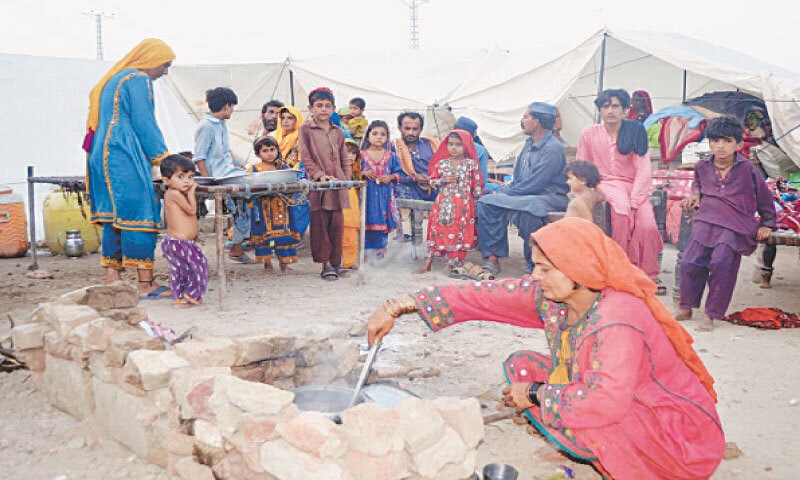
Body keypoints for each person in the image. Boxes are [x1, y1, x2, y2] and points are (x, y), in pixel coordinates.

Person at [367, 217, 725, 480]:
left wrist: (537, 394)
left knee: (562, 402)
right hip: (611, 394)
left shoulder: (618, 319)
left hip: (671, 431)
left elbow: (604, 402)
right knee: (523, 367)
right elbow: (484, 294)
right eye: (535, 267)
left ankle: (627, 464)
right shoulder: (557, 296)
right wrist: (399, 304)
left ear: (578, 270)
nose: (535, 276)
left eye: (544, 269)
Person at [83, 38, 175, 300]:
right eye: (165, 65)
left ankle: (113, 280)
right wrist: (165, 160)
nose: (165, 72)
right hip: (122, 152)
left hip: (100, 151)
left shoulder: (114, 79)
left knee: (115, 215)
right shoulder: (138, 79)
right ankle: (145, 285)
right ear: (151, 60)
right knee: (140, 212)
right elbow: (144, 122)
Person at [677, 116, 776, 332]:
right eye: (716, 140)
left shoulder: (748, 168)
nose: (720, 146)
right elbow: (698, 183)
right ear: (710, 142)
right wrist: (696, 193)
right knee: (690, 262)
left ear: (738, 144)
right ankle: (686, 306)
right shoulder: (702, 166)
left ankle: (711, 313)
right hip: (706, 219)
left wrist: (767, 222)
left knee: (722, 264)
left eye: (727, 141)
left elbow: (764, 197)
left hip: (735, 224)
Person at [576, 88, 665, 294]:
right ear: (600, 110)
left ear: (625, 110)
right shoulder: (589, 134)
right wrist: (587, 192)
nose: (610, 111)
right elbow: (583, 166)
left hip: (634, 187)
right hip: (605, 184)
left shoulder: (635, 130)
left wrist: (636, 202)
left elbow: (643, 170)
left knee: (647, 225)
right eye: (605, 106)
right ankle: (619, 270)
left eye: (615, 106)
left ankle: (649, 274)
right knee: (621, 212)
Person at [477, 102, 569, 276]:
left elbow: (535, 184)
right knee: (486, 202)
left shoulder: (554, 148)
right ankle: (492, 258)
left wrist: (504, 193)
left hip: (549, 197)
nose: (522, 121)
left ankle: (534, 262)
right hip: (526, 195)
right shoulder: (528, 144)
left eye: (526, 117)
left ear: (536, 122)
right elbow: (519, 178)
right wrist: (504, 192)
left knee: (530, 209)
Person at [193, 87, 252, 263]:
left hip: (229, 171)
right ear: (226, 106)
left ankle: (237, 246)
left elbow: (226, 151)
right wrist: (209, 181)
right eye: (232, 107)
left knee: (247, 204)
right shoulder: (205, 127)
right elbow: (199, 157)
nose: (232, 111)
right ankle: (237, 246)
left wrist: (235, 165)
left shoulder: (221, 125)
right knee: (249, 193)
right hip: (218, 176)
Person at [299, 87, 351, 281]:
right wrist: (319, 175)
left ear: (334, 108)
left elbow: (344, 157)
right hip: (319, 185)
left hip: (337, 184)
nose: (323, 109)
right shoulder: (306, 129)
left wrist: (346, 178)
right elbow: (306, 157)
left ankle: (336, 262)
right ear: (310, 108)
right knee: (321, 224)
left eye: (327, 106)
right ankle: (325, 264)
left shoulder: (338, 131)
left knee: (337, 224)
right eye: (319, 106)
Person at [418, 130, 483, 274]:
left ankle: (452, 263)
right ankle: (428, 263)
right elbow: (432, 182)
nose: (454, 148)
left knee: (458, 230)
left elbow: (477, 185)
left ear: (466, 145)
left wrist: (478, 200)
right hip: (443, 203)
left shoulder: (471, 165)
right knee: (438, 229)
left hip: (463, 205)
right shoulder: (441, 164)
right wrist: (443, 180)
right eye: (451, 144)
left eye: (458, 144)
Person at [159, 154, 209, 308]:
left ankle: (180, 297)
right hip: (181, 242)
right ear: (166, 180)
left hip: (175, 241)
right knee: (200, 266)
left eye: (190, 177)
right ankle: (191, 296)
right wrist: (192, 193)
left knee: (181, 270)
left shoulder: (171, 194)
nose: (187, 181)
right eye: (181, 177)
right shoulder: (174, 194)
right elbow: (192, 210)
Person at [248, 136, 299, 273]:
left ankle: (284, 263)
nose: (269, 153)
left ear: (277, 150)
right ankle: (267, 262)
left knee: (285, 235)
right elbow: (249, 188)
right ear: (258, 154)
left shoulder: (283, 167)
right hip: (262, 208)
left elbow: (291, 182)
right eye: (265, 151)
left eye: (272, 149)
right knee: (263, 234)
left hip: (282, 206)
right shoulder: (254, 170)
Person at [392, 112, 441, 244]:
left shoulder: (431, 144)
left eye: (415, 129)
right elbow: (393, 174)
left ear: (421, 129)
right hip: (412, 189)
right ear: (399, 128)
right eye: (407, 128)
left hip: (436, 187)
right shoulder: (394, 147)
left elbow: (445, 165)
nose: (411, 133)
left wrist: (434, 178)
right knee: (393, 187)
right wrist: (414, 178)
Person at [361, 120, 403, 260]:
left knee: (382, 225)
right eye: (375, 133)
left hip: (384, 197)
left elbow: (399, 173)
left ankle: (379, 255)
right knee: (365, 223)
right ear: (367, 137)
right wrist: (363, 174)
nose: (379, 137)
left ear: (387, 137)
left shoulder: (391, 156)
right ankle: (366, 255)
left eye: (383, 134)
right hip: (367, 196)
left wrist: (390, 177)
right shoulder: (361, 156)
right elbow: (352, 172)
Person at [274, 106, 311, 245]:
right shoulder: (277, 137)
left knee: (297, 207)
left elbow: (303, 161)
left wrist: (290, 174)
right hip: (277, 177)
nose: (285, 121)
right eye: (282, 118)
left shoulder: (302, 138)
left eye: (290, 118)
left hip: (297, 178)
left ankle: (296, 237)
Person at [453, 116, 503, 194]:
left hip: (449, 187)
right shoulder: (480, 150)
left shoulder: (444, 145)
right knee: (500, 189)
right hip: (471, 189)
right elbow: (481, 181)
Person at [342, 139, 363, 269]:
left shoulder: (355, 171)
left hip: (352, 208)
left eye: (353, 153)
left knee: (351, 237)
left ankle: (349, 262)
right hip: (342, 207)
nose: (350, 156)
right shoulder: (336, 171)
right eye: (346, 152)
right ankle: (341, 262)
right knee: (341, 236)